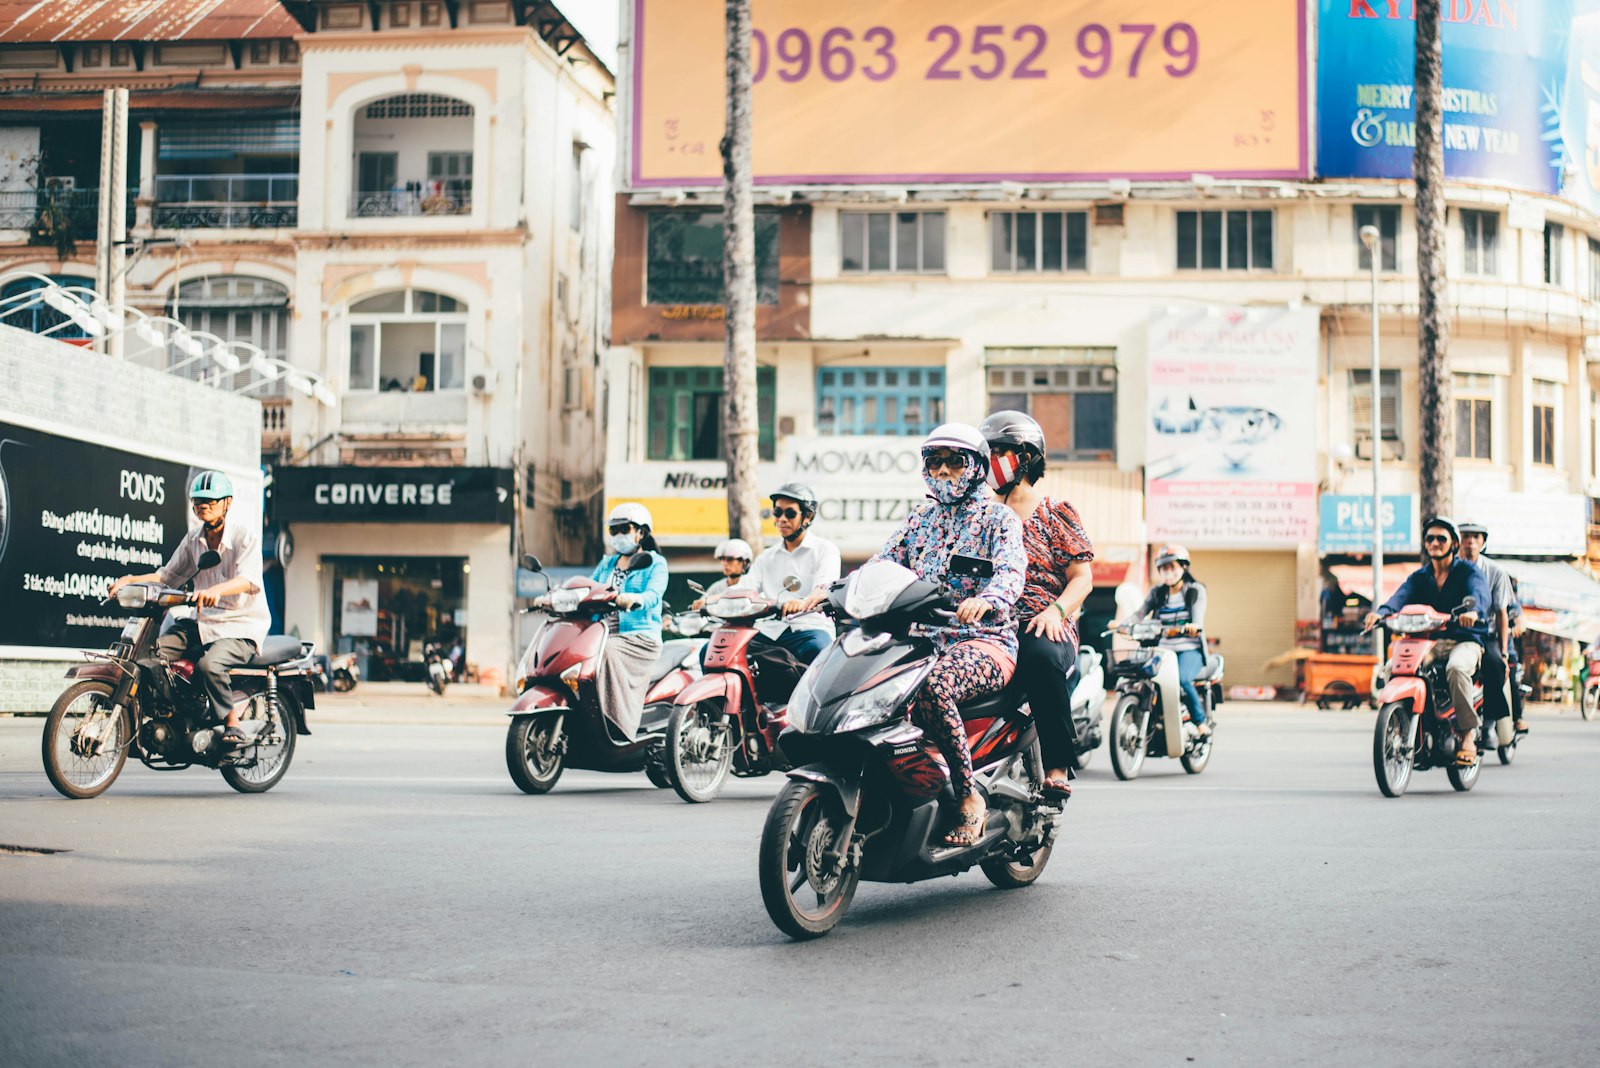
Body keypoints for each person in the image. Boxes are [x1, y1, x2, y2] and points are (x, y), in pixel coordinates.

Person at [855, 424, 1025, 846]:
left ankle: (968, 798)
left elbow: (1010, 572)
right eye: (935, 461)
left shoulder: (998, 518)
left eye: (955, 461)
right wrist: (836, 590)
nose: (944, 470)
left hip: (984, 641)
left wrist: (987, 599)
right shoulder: (920, 519)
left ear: (977, 468)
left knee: (934, 687)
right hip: (922, 642)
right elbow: (882, 563)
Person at [981, 410, 1095, 798]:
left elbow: (1082, 578)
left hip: (1040, 622)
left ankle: (1058, 764)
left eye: (998, 451)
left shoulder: (1054, 512)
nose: (989, 462)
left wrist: (1056, 611)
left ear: (1026, 457)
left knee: (1041, 658)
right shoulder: (978, 517)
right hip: (986, 625)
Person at [108, 471, 269, 744]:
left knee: (209, 665)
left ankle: (232, 721)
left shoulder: (244, 537)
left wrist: (215, 591)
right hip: (202, 623)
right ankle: (173, 713)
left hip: (240, 626)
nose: (203, 506)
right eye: (198, 501)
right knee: (151, 653)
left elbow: (249, 580)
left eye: (211, 501)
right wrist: (129, 580)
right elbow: (166, 576)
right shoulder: (193, 539)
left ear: (227, 503)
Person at [1364, 516, 1492, 764]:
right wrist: (1380, 613)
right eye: (1430, 538)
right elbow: (1399, 597)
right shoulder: (1420, 577)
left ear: (1453, 544)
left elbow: (1479, 594)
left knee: (1456, 668)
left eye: (1441, 538)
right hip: (1429, 641)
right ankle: (1404, 725)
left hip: (1464, 640)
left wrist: (1472, 612)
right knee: (1395, 667)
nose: (1434, 543)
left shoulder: (1467, 571)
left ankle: (1468, 732)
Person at [589, 502, 669, 740]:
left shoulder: (655, 563)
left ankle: (617, 723)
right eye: (614, 531)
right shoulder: (606, 563)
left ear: (641, 533)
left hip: (638, 635)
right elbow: (589, 587)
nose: (619, 535)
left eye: (625, 529)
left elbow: (654, 596)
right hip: (601, 629)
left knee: (605, 651)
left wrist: (634, 599)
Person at [741, 483, 842, 666]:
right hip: (770, 630)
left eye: (790, 513)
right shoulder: (766, 557)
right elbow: (745, 589)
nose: (782, 519)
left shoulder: (825, 550)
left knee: (819, 653)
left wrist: (803, 602)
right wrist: (712, 599)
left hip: (810, 628)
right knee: (718, 651)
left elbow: (823, 586)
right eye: (777, 512)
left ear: (807, 516)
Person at [1128, 546, 1212, 736]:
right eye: (1163, 568)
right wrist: (1122, 625)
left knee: (1182, 680)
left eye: (1172, 567)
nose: (1168, 572)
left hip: (1189, 649)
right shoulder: (1157, 592)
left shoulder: (1195, 590)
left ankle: (1200, 722)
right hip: (1163, 650)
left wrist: (1194, 626)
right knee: (1143, 677)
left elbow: (1198, 619)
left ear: (1183, 567)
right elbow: (1140, 614)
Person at [1458, 519, 1526, 734]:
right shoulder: (1448, 568)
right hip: (1455, 632)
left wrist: (1504, 652)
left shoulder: (1496, 572)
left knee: (1497, 665)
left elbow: (1501, 613)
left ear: (1483, 542)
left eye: (1475, 537)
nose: (1469, 541)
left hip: (1487, 634)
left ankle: (1489, 721)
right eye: (1465, 536)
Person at [691, 538, 753, 609]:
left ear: (744, 562)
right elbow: (701, 604)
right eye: (722, 559)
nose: (725, 563)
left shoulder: (751, 584)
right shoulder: (717, 587)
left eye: (730, 559)